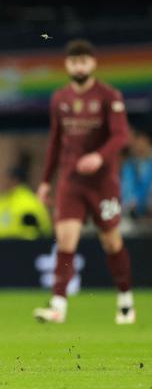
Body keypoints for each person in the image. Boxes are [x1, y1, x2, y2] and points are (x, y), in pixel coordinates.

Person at [33, 39, 135, 324]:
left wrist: (100, 158)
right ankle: (58, 305)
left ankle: (125, 299)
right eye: (74, 61)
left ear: (93, 63)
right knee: (66, 240)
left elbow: (120, 136)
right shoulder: (60, 99)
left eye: (83, 61)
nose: (79, 65)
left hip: (103, 183)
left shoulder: (108, 96)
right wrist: (45, 181)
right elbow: (55, 141)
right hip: (71, 181)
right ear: (67, 65)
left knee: (111, 241)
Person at [121, 128, 152, 219]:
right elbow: (126, 190)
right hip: (132, 215)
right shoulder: (129, 164)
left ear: (146, 140)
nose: (134, 145)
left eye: (136, 140)